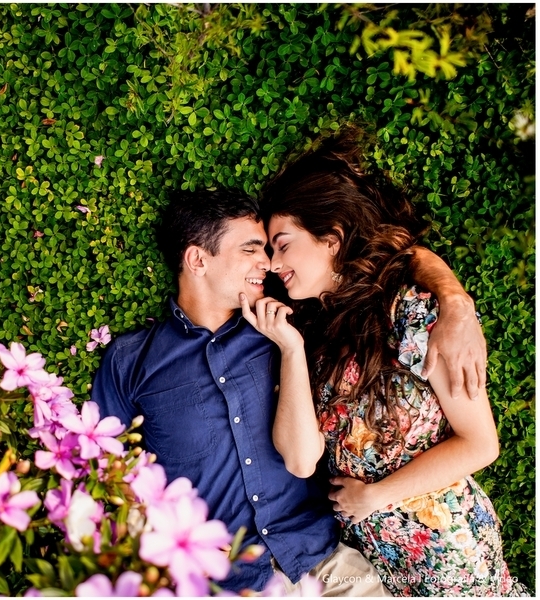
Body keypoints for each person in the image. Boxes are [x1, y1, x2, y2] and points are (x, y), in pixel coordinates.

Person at [91, 188, 486, 594]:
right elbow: (106, 476)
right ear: (197, 259)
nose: (269, 264)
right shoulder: (131, 361)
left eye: (270, 249)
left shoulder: (292, 321)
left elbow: (398, 257)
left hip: (324, 563)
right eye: (251, 250)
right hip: (226, 582)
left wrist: (455, 299)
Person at [248, 131, 525, 596]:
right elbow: (300, 457)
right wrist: (291, 349)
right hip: (375, 564)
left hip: (447, 555)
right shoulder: (313, 338)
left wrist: (376, 496)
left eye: (283, 244)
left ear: (332, 239)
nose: (274, 263)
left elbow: (480, 444)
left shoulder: (410, 313)